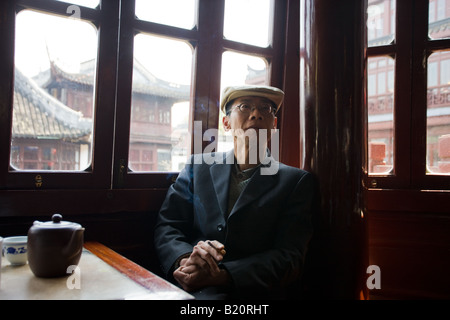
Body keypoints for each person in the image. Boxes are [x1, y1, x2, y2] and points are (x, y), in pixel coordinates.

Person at [154, 85, 315, 299]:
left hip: (249, 292)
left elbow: (289, 258)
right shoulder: (198, 166)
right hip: (188, 287)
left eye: (266, 109)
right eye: (245, 106)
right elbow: (168, 226)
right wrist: (185, 261)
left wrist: (221, 276)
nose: (256, 114)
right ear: (226, 123)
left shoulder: (296, 182)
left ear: (274, 125)